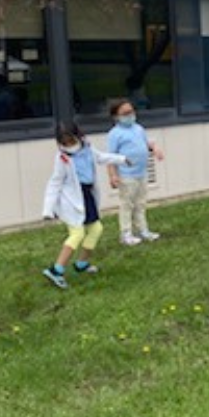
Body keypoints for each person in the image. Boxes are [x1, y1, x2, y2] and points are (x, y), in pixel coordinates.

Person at [42, 122, 129, 289]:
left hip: (86, 196)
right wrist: (48, 209)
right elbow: (54, 183)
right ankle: (56, 270)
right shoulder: (62, 158)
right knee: (77, 234)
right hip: (71, 200)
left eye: (71, 140)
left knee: (96, 229)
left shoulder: (88, 148)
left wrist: (123, 159)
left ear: (78, 136)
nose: (69, 145)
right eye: (64, 142)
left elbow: (102, 157)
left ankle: (82, 263)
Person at [107, 99, 165, 246]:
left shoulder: (138, 128)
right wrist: (113, 175)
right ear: (116, 116)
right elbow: (111, 157)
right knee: (127, 205)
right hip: (126, 175)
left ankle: (143, 230)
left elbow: (147, 143)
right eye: (125, 113)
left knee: (140, 203)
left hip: (141, 173)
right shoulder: (115, 134)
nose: (130, 115)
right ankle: (126, 234)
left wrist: (155, 149)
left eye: (131, 111)